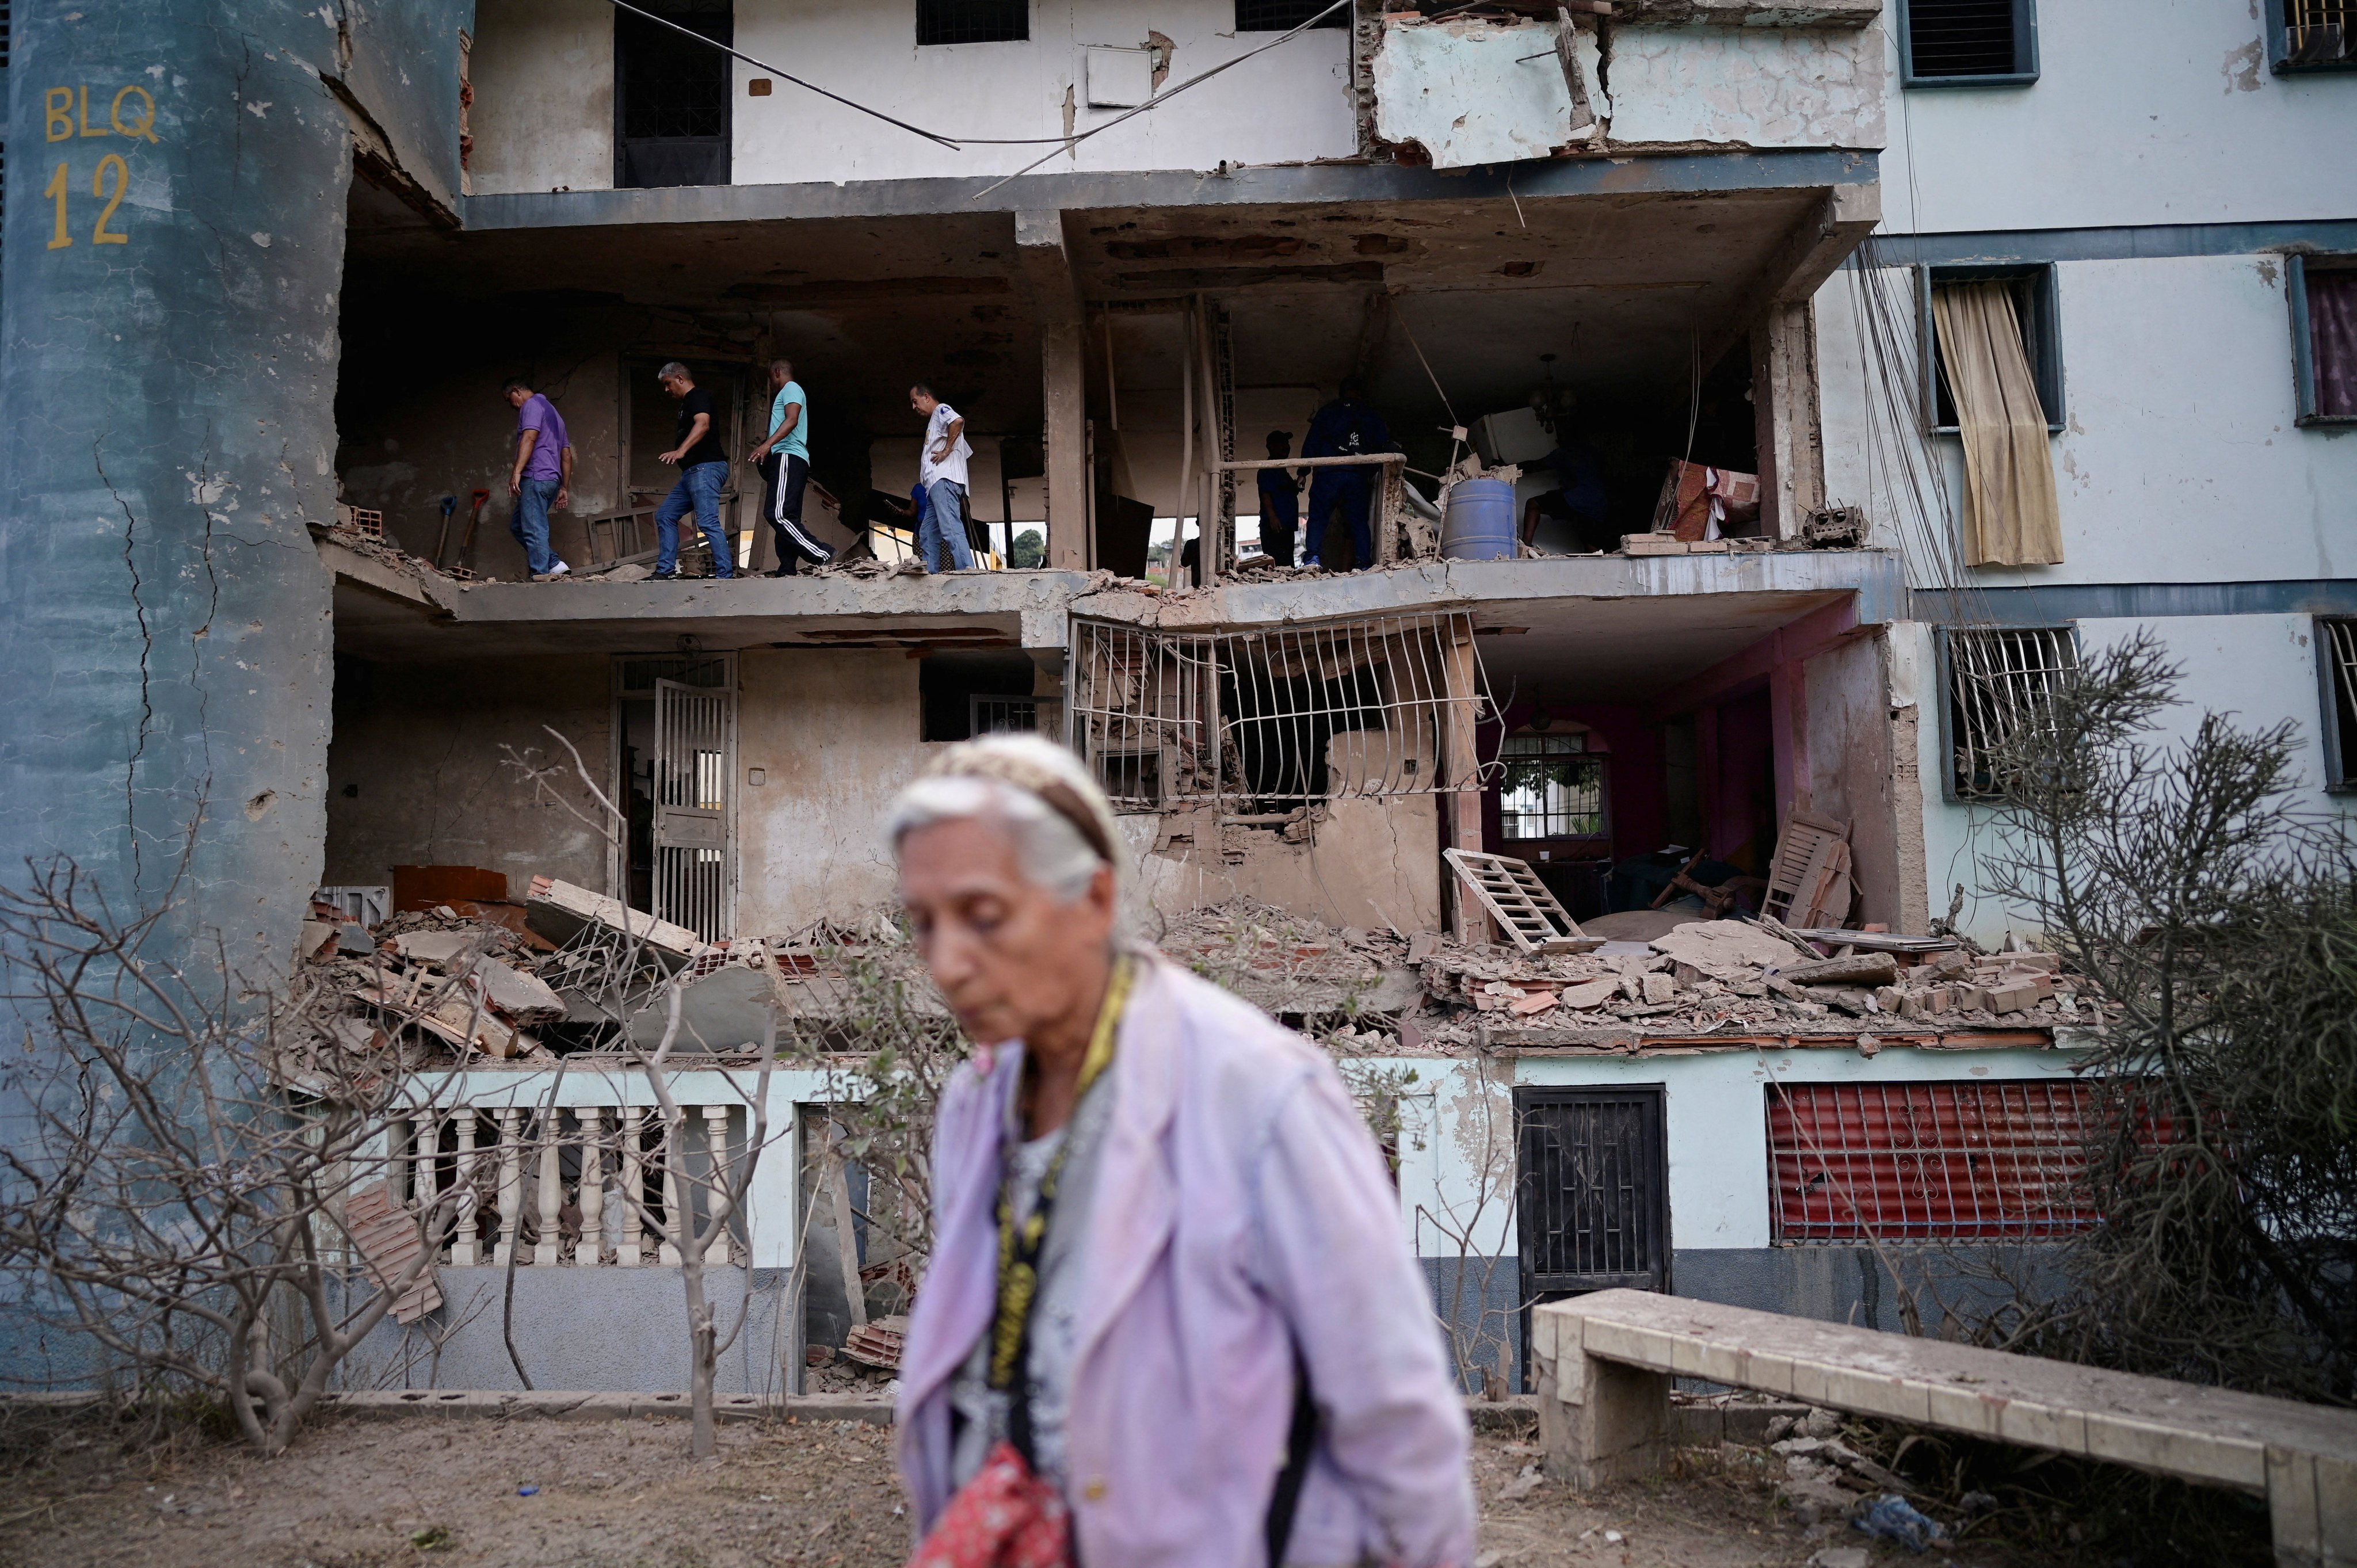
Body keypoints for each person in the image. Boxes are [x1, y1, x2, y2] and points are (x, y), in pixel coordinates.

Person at [889, 736, 1475, 1568]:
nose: (945, 963)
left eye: (984, 917)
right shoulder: (975, 1102)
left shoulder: (1260, 1093)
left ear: (1092, 900)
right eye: (924, 923)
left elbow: (1394, 1412)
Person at [747, 357, 832, 577]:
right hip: (790, 459)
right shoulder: (791, 390)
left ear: (777, 372)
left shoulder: (791, 388)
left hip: (788, 456)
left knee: (778, 514)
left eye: (770, 379)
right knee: (788, 516)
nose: (772, 385)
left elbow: (792, 419)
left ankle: (822, 553)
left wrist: (767, 445)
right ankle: (787, 568)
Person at [1300, 377, 1395, 571]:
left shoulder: (1328, 412)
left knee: (1318, 517)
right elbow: (1385, 443)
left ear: (1342, 393)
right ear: (1359, 393)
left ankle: (1312, 560)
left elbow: (1312, 441)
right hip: (1356, 475)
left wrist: (1303, 472)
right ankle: (1363, 563)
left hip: (1328, 472)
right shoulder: (1369, 414)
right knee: (1359, 521)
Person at [651, 361, 734, 581]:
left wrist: (681, 451)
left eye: (668, 384)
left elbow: (703, 424)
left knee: (707, 521)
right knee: (666, 515)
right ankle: (665, 571)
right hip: (692, 473)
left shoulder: (698, 396)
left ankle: (725, 576)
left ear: (680, 378)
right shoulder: (686, 404)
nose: (666, 390)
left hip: (706, 468)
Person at [501, 378, 573, 581]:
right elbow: (566, 455)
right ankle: (553, 564)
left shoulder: (531, 406)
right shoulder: (554, 413)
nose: (511, 405)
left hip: (536, 476)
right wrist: (564, 487)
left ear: (517, 391)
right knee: (519, 525)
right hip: (551, 480)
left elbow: (530, 437)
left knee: (534, 528)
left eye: (509, 400)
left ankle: (540, 575)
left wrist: (517, 471)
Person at [910, 382, 975, 573]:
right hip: (933, 487)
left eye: (915, 401)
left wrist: (947, 450)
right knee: (928, 533)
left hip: (943, 481)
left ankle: (967, 571)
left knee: (950, 527)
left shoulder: (941, 410)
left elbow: (957, 421)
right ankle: (931, 573)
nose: (914, 407)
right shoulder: (934, 421)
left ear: (927, 397)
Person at [1520, 430, 1611, 554]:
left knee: (1533, 505)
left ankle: (1525, 547)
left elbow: (1536, 466)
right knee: (1591, 544)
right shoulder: (1594, 453)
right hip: (1600, 506)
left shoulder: (1565, 453)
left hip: (1578, 499)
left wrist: (1508, 466)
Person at [1256, 428, 1301, 567]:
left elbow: (1290, 492)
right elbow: (1266, 494)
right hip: (1275, 528)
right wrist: (1272, 517)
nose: (1286, 446)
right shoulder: (1268, 469)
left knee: (1287, 565)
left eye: (1287, 443)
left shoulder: (1282, 471)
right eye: (1282, 443)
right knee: (1278, 566)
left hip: (1286, 527)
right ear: (1271, 447)